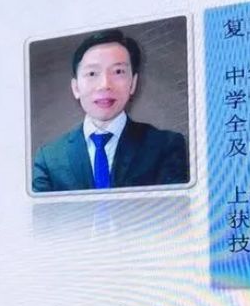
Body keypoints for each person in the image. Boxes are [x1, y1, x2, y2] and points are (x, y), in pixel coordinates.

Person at [32, 29, 189, 192]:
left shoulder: (165, 147)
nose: (105, 85)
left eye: (118, 71)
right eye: (92, 73)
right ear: (76, 87)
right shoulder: (49, 158)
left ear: (133, 83)